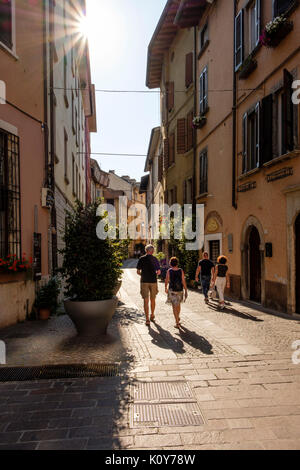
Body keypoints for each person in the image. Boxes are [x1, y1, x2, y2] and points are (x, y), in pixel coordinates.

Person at [137, 245, 161, 326]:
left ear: (146, 250)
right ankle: (152, 315)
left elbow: (138, 271)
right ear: (153, 251)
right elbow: (159, 272)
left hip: (144, 281)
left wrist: (143, 275)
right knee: (153, 299)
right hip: (153, 281)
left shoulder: (141, 259)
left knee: (146, 300)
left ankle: (147, 319)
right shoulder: (155, 259)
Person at [165, 257, 188, 329]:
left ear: (170, 264)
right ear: (177, 263)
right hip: (179, 290)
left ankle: (177, 322)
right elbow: (183, 281)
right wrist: (186, 290)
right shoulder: (181, 270)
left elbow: (166, 280)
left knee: (174, 306)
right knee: (178, 305)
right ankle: (177, 318)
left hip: (172, 290)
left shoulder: (169, 271)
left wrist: (165, 287)